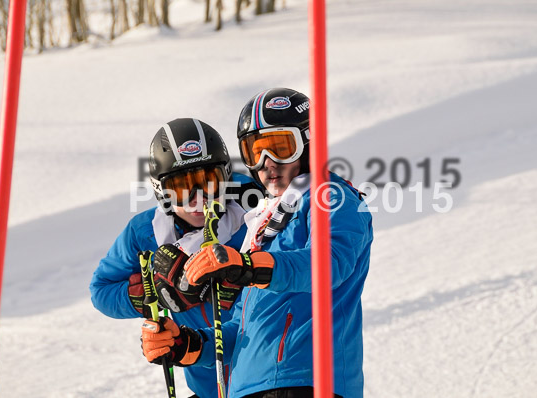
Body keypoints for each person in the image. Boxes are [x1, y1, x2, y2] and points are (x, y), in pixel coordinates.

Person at [140, 88, 374, 398]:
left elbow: (329, 264)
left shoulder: (332, 197)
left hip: (304, 379)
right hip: (249, 385)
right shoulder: (264, 221)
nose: (266, 163)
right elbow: (243, 329)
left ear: (308, 142)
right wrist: (188, 345)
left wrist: (248, 267)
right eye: (254, 151)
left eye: (280, 147)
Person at [90, 118, 261, 398]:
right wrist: (155, 292)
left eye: (209, 182)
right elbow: (102, 292)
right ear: (161, 191)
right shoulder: (145, 232)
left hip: (264, 376)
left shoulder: (256, 210)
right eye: (182, 188)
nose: (199, 200)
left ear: (226, 176)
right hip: (208, 384)